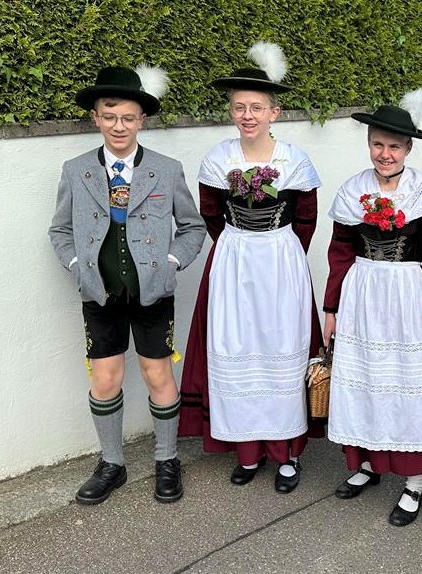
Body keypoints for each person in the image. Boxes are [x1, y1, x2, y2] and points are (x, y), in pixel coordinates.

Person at [48, 65, 207, 505]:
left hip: (152, 292)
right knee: (105, 378)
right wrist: (78, 265)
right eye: (109, 116)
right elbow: (60, 230)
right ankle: (112, 463)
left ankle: (167, 459)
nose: (119, 126)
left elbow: (193, 227)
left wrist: (171, 263)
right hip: (100, 292)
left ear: (142, 120)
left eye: (128, 118)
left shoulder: (165, 169)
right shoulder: (76, 170)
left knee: (158, 372)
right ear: (96, 118)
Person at [177, 42, 322, 494]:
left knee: (282, 347)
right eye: (240, 107)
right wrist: (240, 247)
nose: (248, 115)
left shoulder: (294, 160)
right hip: (234, 261)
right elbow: (210, 214)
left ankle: (286, 453)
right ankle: (247, 451)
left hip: (280, 261)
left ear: (274, 112)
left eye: (257, 107)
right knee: (236, 346)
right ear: (231, 111)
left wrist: (279, 253)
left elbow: (306, 219)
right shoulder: (218, 159)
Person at [323, 90, 422, 527]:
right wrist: (331, 309)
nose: (385, 154)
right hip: (361, 294)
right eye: (377, 144)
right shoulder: (352, 191)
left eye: (394, 146)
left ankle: (414, 483)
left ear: (408, 148)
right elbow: (339, 253)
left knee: (403, 381)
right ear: (368, 144)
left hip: (407, 296)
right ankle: (367, 464)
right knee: (366, 380)